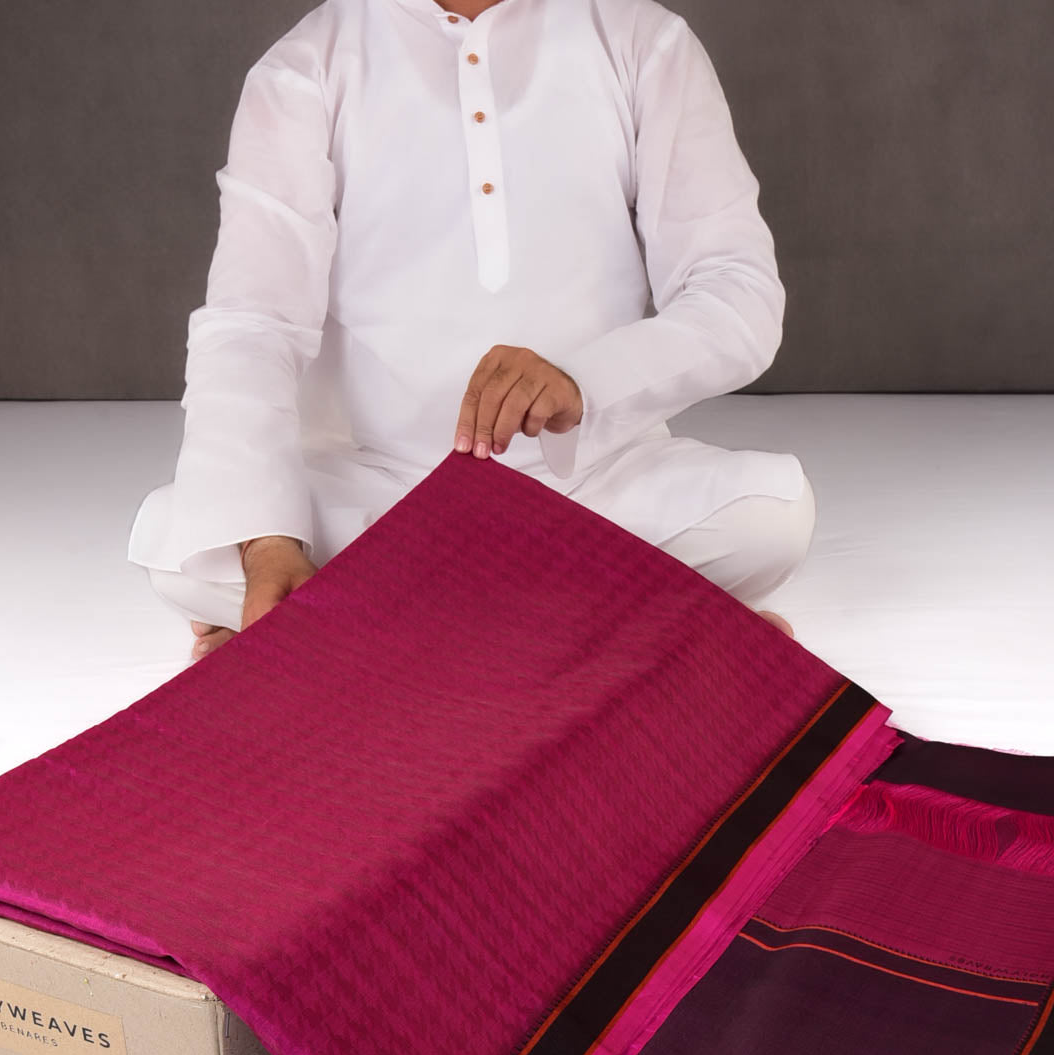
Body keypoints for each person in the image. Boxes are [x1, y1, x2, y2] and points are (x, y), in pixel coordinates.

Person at [127, 0, 814, 660]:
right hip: (387, 492)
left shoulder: (642, 39)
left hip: (602, 483)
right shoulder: (304, 69)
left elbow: (737, 290)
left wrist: (584, 382)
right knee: (178, 538)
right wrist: (269, 543)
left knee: (772, 514)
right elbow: (253, 323)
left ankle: (372, 632)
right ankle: (653, 619)